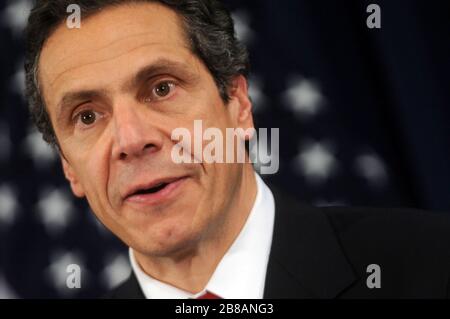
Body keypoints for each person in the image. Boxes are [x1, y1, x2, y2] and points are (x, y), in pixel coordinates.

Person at [24, 0, 450, 299]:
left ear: (239, 105)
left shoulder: (432, 264)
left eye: (161, 88)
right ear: (68, 167)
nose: (132, 140)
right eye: (86, 116)